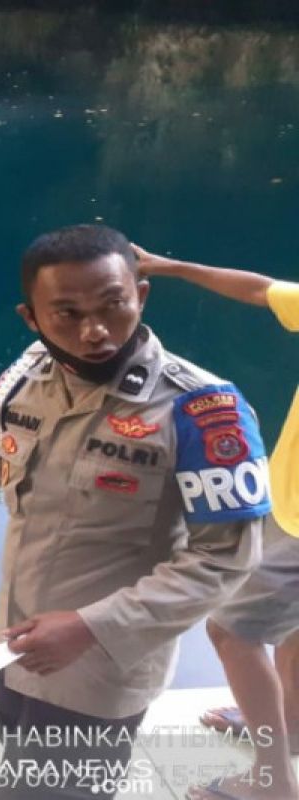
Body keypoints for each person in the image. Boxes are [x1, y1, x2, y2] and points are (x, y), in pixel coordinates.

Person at [0, 224, 269, 799]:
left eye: (113, 305)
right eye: (66, 313)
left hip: (103, 669)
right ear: (32, 318)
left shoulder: (202, 410)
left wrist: (92, 626)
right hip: (16, 647)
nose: (95, 331)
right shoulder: (25, 380)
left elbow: (224, 561)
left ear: (140, 295)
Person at [134, 244, 299, 800]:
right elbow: (259, 287)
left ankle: (271, 782)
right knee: (294, 628)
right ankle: (290, 725)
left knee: (233, 630)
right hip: (285, 504)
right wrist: (172, 266)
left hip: (298, 523)